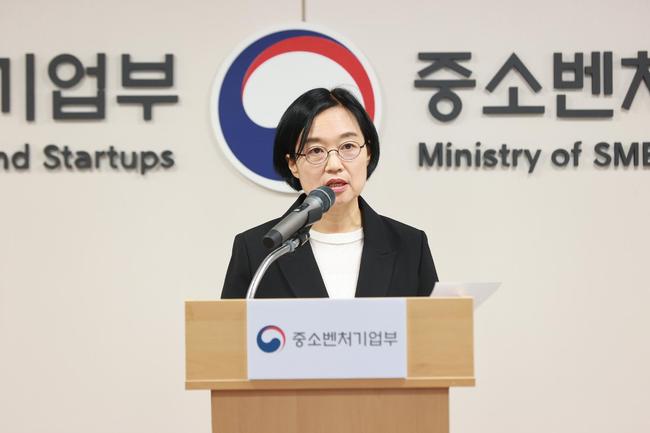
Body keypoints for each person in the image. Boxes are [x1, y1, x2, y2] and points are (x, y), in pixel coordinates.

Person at [221, 87, 437, 299]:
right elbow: (228, 324)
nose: (334, 165)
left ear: (368, 153)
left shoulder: (410, 246)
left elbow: (436, 322)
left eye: (348, 146)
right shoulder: (257, 252)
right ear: (293, 164)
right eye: (316, 150)